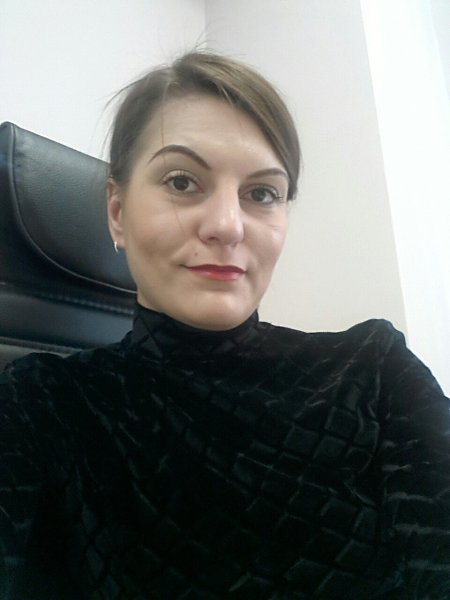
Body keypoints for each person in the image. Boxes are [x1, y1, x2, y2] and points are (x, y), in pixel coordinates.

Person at [0, 51, 449, 600]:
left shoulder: (373, 371)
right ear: (117, 212)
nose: (227, 226)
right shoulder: (40, 404)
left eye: (262, 194)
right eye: (182, 181)